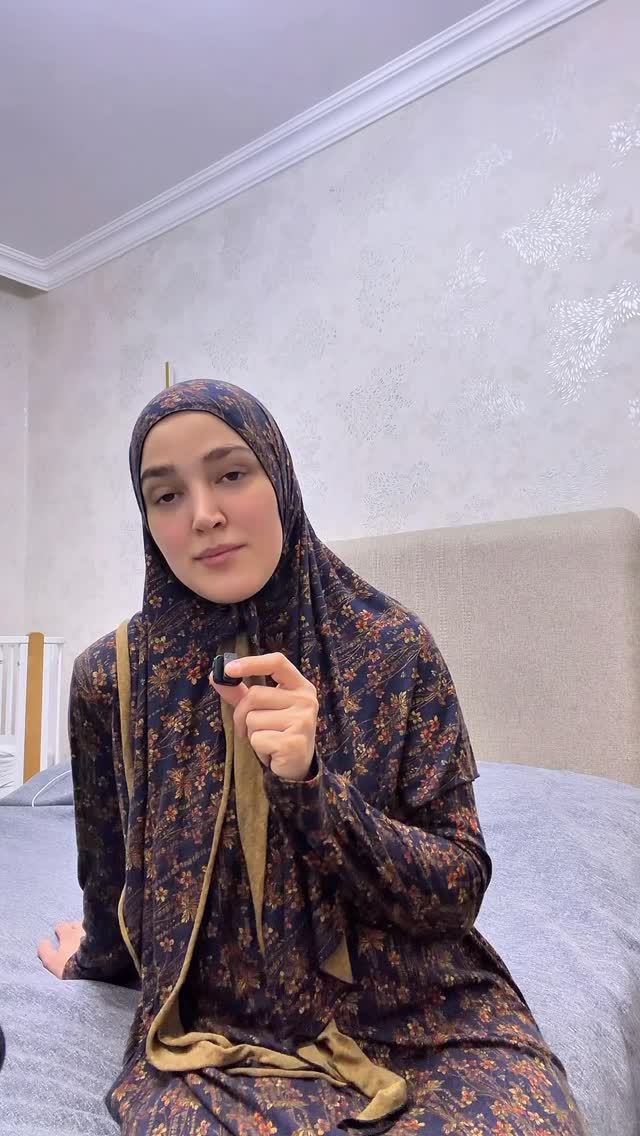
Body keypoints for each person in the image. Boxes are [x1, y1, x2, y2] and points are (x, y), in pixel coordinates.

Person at [38, 380, 586, 1135]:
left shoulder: (392, 650)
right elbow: (109, 865)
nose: (203, 514)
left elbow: (457, 888)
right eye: (166, 495)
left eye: (231, 474)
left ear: (280, 478)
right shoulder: (113, 679)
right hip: (223, 1041)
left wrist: (313, 789)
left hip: (420, 1020)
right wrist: (98, 956)